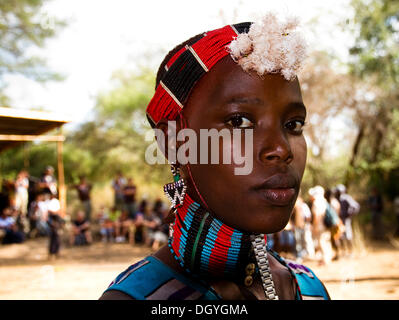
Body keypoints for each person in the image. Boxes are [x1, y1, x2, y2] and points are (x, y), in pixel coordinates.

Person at [100, 14, 330, 300]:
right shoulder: (139, 297)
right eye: (239, 122)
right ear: (175, 144)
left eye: (293, 124)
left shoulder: (310, 289)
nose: (281, 149)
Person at [308, 186, 333, 265]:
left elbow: (317, 215)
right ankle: (328, 258)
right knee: (327, 241)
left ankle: (325, 260)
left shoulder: (316, 202)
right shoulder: (324, 201)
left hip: (320, 226)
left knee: (322, 242)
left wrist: (314, 226)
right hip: (326, 225)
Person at [335, 184, 360, 251]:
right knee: (341, 236)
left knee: (348, 235)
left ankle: (351, 251)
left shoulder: (346, 198)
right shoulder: (337, 199)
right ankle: (344, 251)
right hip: (339, 220)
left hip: (346, 220)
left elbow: (355, 206)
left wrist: (349, 214)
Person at [324, 188, 343, 260]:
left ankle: (338, 254)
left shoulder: (332, 202)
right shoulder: (333, 202)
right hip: (336, 222)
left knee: (335, 239)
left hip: (334, 223)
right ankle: (337, 253)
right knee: (335, 239)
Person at [46, 193, 62, 260]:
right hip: (52, 220)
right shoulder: (49, 202)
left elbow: (58, 211)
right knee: (53, 237)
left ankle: (55, 252)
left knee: (56, 237)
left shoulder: (56, 201)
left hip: (55, 219)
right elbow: (49, 212)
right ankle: (52, 252)